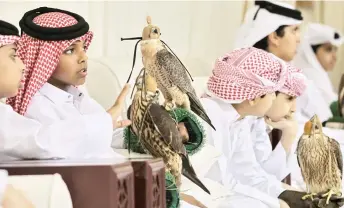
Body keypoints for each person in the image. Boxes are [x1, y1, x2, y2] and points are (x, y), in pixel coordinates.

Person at [0, 8, 130, 160]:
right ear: (44, 58)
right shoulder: (36, 106)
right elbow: (44, 143)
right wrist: (106, 120)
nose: (84, 57)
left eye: (83, 48)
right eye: (70, 51)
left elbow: (106, 135)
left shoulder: (77, 96)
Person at [199, 47, 295, 208]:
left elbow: (249, 175)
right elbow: (217, 184)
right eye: (271, 92)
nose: (273, 98)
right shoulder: (211, 116)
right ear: (253, 98)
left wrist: (290, 196)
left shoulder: (239, 119)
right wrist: (277, 203)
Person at [234, 0, 305, 181]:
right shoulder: (246, 93)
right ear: (274, 36)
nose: (299, 38)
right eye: (294, 30)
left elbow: (264, 175)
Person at [293, 23, 343, 122]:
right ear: (311, 52)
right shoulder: (308, 75)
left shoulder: (321, 75)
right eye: (328, 50)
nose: (334, 56)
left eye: (335, 50)